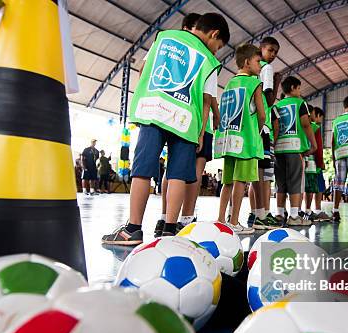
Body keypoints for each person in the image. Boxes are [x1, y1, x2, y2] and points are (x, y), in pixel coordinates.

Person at [102, 13, 228, 245]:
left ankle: (133, 229)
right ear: (214, 34)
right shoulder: (210, 61)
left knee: (142, 171)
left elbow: (143, 71)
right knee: (178, 175)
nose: (216, 50)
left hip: (154, 111)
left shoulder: (164, 38)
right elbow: (206, 99)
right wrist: (201, 132)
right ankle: (170, 229)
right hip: (185, 122)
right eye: (218, 46)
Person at [154, 12, 221, 236]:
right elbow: (208, 97)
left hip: (180, 119)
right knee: (189, 172)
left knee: (174, 171)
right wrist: (215, 115)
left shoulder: (174, 49)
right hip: (195, 124)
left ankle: (166, 218)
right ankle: (185, 218)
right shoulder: (205, 58)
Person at [215, 43, 265, 234]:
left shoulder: (229, 84)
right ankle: (234, 221)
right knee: (241, 181)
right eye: (257, 61)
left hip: (229, 140)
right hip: (246, 140)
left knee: (227, 181)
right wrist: (257, 132)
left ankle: (220, 219)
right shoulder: (254, 84)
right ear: (247, 62)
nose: (260, 66)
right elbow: (261, 115)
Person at [247, 36, 282, 229]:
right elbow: (269, 101)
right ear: (261, 48)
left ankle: (255, 214)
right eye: (271, 50)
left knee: (254, 175)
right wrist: (277, 82)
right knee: (263, 175)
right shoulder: (266, 69)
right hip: (263, 128)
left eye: (276, 52)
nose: (273, 55)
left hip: (251, 128)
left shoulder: (251, 72)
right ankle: (262, 215)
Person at [274, 76, 317, 226]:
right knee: (295, 182)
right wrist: (313, 144)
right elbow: (306, 124)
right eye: (299, 88)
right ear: (292, 87)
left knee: (280, 183)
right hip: (294, 147)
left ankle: (279, 214)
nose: (300, 91)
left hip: (279, 149)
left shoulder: (278, 105)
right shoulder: (300, 103)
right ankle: (293, 216)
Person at [304, 106, 331, 222]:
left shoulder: (302, 126)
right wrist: (321, 162)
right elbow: (318, 148)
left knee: (305, 188)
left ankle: (304, 211)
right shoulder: (315, 127)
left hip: (303, 160)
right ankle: (315, 211)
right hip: (313, 163)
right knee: (315, 187)